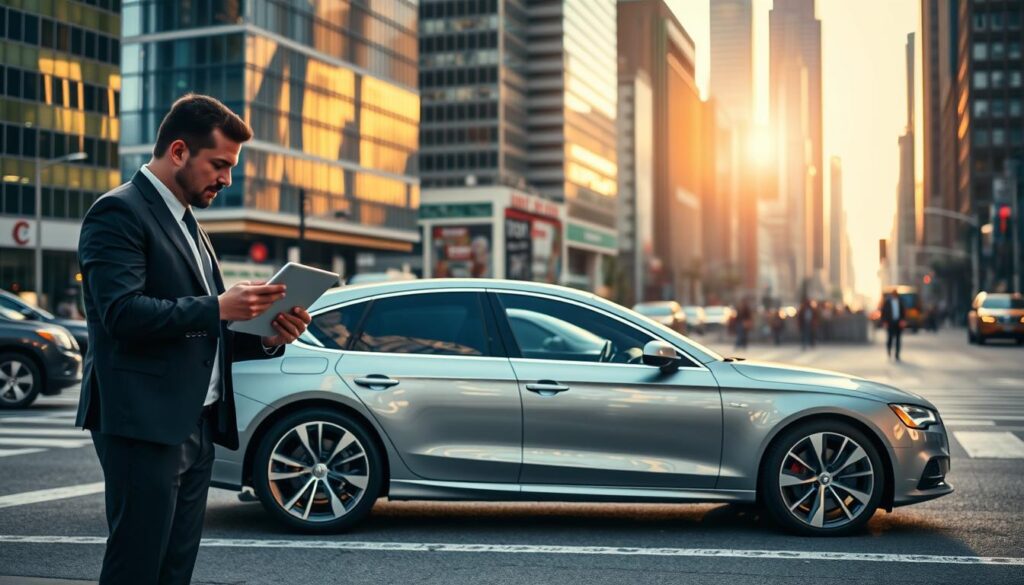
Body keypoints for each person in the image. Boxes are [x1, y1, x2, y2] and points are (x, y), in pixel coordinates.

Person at [75, 94, 312, 585]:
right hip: (143, 423)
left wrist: (267, 333)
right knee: (136, 566)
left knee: (174, 568)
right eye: (220, 164)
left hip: (195, 423)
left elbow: (206, 330)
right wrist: (219, 305)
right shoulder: (117, 212)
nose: (227, 179)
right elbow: (120, 314)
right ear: (179, 151)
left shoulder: (188, 223)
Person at [880, 289, 906, 361]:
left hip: (898, 322)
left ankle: (897, 354)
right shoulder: (887, 302)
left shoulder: (900, 302)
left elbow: (903, 312)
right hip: (890, 322)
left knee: (898, 339)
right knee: (890, 338)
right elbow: (883, 312)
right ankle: (889, 351)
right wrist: (884, 321)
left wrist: (903, 320)